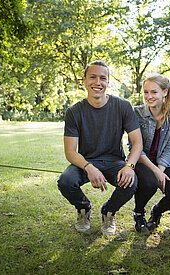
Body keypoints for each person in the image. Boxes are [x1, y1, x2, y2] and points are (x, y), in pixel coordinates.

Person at [57, 60, 143, 236]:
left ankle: (109, 212)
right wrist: (89, 167)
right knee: (66, 181)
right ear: (84, 80)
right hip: (86, 162)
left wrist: (129, 166)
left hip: (114, 161)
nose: (97, 82)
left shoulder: (123, 106)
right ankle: (83, 208)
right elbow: (70, 151)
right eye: (93, 77)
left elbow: (137, 142)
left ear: (108, 81)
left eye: (102, 78)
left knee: (131, 181)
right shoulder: (74, 111)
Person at [131, 74, 170, 234]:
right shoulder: (137, 113)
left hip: (164, 162)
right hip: (142, 160)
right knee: (149, 183)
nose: (149, 96)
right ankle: (139, 213)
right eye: (146, 92)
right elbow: (135, 147)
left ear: (165, 92)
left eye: (154, 92)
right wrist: (155, 172)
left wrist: (160, 170)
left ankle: (157, 210)